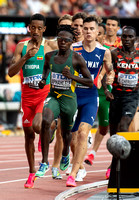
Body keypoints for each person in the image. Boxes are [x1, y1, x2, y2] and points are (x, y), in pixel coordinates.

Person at [35, 25, 93, 180]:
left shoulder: (76, 58)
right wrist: (42, 80)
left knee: (66, 133)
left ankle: (66, 153)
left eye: (66, 40)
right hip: (54, 96)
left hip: (69, 99)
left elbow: (89, 82)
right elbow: (46, 70)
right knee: (46, 121)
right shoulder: (49, 56)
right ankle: (44, 162)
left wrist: (72, 77)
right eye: (60, 39)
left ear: (72, 41)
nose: (62, 42)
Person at [66, 15, 115, 187]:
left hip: (91, 97)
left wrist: (110, 78)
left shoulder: (104, 51)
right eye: (85, 28)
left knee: (83, 132)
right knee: (72, 140)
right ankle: (78, 166)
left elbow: (110, 70)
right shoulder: (73, 48)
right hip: (72, 95)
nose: (87, 32)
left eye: (91, 29)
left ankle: (72, 174)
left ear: (97, 31)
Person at [8, 13, 52, 189]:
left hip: (44, 94)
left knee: (37, 125)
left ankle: (47, 133)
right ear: (29, 27)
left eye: (39, 28)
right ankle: (32, 172)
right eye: (32, 27)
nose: (35, 31)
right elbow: (11, 72)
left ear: (44, 29)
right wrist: (25, 58)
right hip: (27, 97)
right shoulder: (21, 47)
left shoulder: (49, 47)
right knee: (28, 135)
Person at [107, 26, 139, 180]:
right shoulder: (114, 54)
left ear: (135, 39)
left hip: (132, 96)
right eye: (124, 36)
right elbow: (106, 73)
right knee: (113, 132)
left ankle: (126, 163)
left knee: (124, 125)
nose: (126, 39)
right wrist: (107, 89)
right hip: (116, 96)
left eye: (130, 37)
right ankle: (115, 162)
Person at [84, 24, 114, 168]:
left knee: (104, 128)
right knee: (82, 126)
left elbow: (110, 70)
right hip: (87, 92)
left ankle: (93, 152)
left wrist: (108, 78)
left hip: (104, 94)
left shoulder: (107, 51)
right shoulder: (84, 48)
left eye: (102, 33)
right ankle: (90, 153)